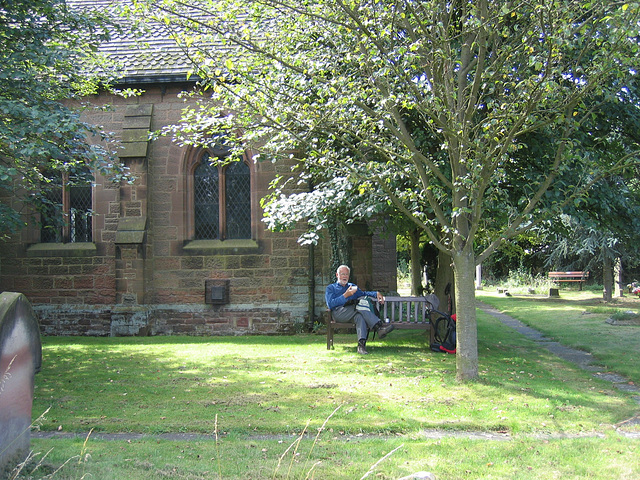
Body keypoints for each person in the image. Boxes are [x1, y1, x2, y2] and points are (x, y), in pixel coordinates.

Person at [325, 264, 394, 354]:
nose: (345, 276)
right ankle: (378, 327)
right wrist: (345, 296)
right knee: (359, 306)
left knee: (359, 317)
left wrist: (376, 293)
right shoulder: (331, 288)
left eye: (346, 274)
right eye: (342, 274)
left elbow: (363, 293)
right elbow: (330, 304)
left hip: (354, 312)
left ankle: (361, 346)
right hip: (338, 313)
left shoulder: (352, 286)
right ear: (337, 275)